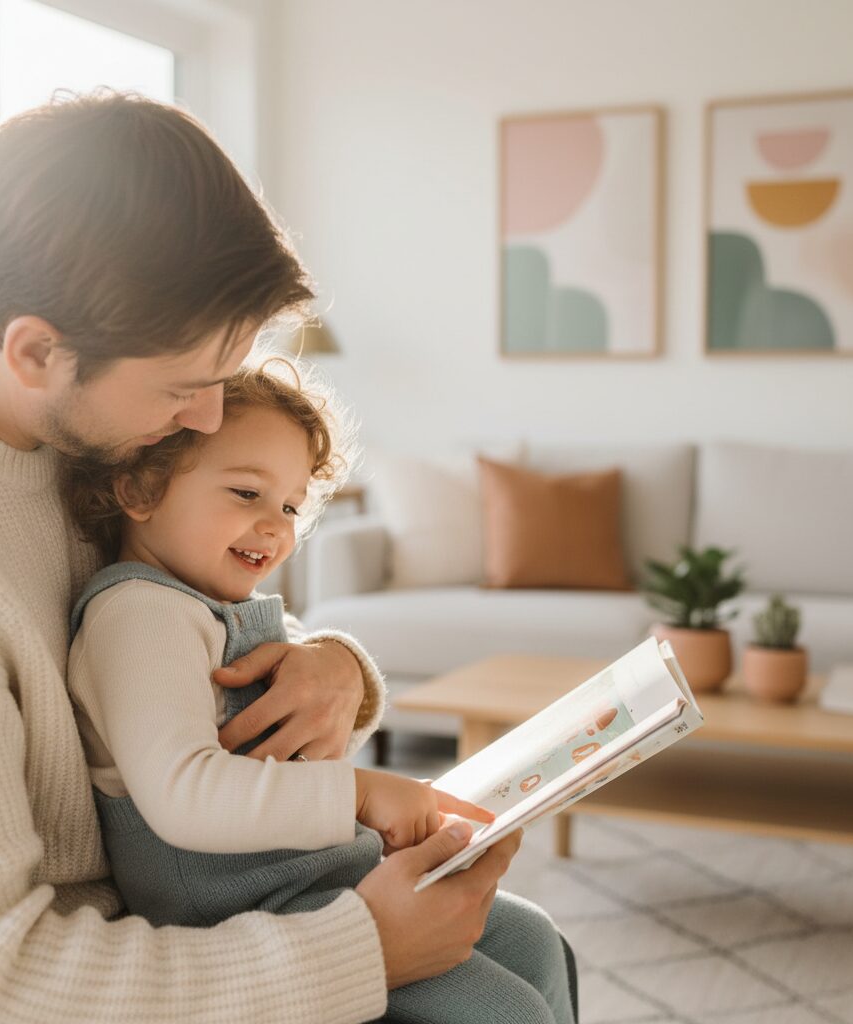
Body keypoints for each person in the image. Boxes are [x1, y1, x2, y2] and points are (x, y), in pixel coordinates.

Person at [0, 90, 548, 1023]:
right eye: (186, 388)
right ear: (36, 350)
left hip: (199, 911)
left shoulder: (79, 421)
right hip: (100, 978)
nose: (208, 419)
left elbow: (171, 625)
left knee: (528, 941)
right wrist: (361, 951)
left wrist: (336, 668)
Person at [62, 359, 578, 1024]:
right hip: (242, 908)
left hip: (304, 880)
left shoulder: (203, 605)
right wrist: (363, 794)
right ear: (140, 488)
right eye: (247, 494)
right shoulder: (138, 613)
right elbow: (184, 794)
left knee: (533, 937)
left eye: (289, 506)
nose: (277, 527)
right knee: (503, 1010)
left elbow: (326, 707)